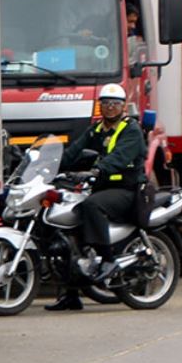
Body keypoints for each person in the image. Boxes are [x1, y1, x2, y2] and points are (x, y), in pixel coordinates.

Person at [44, 84, 144, 312]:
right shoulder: (95, 130)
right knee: (67, 224)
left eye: (114, 104)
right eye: (105, 103)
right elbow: (73, 152)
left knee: (91, 205)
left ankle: (108, 259)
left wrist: (96, 171)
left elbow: (120, 157)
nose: (109, 108)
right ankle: (71, 294)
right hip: (102, 187)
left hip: (127, 189)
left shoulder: (131, 130)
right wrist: (48, 165)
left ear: (123, 107)